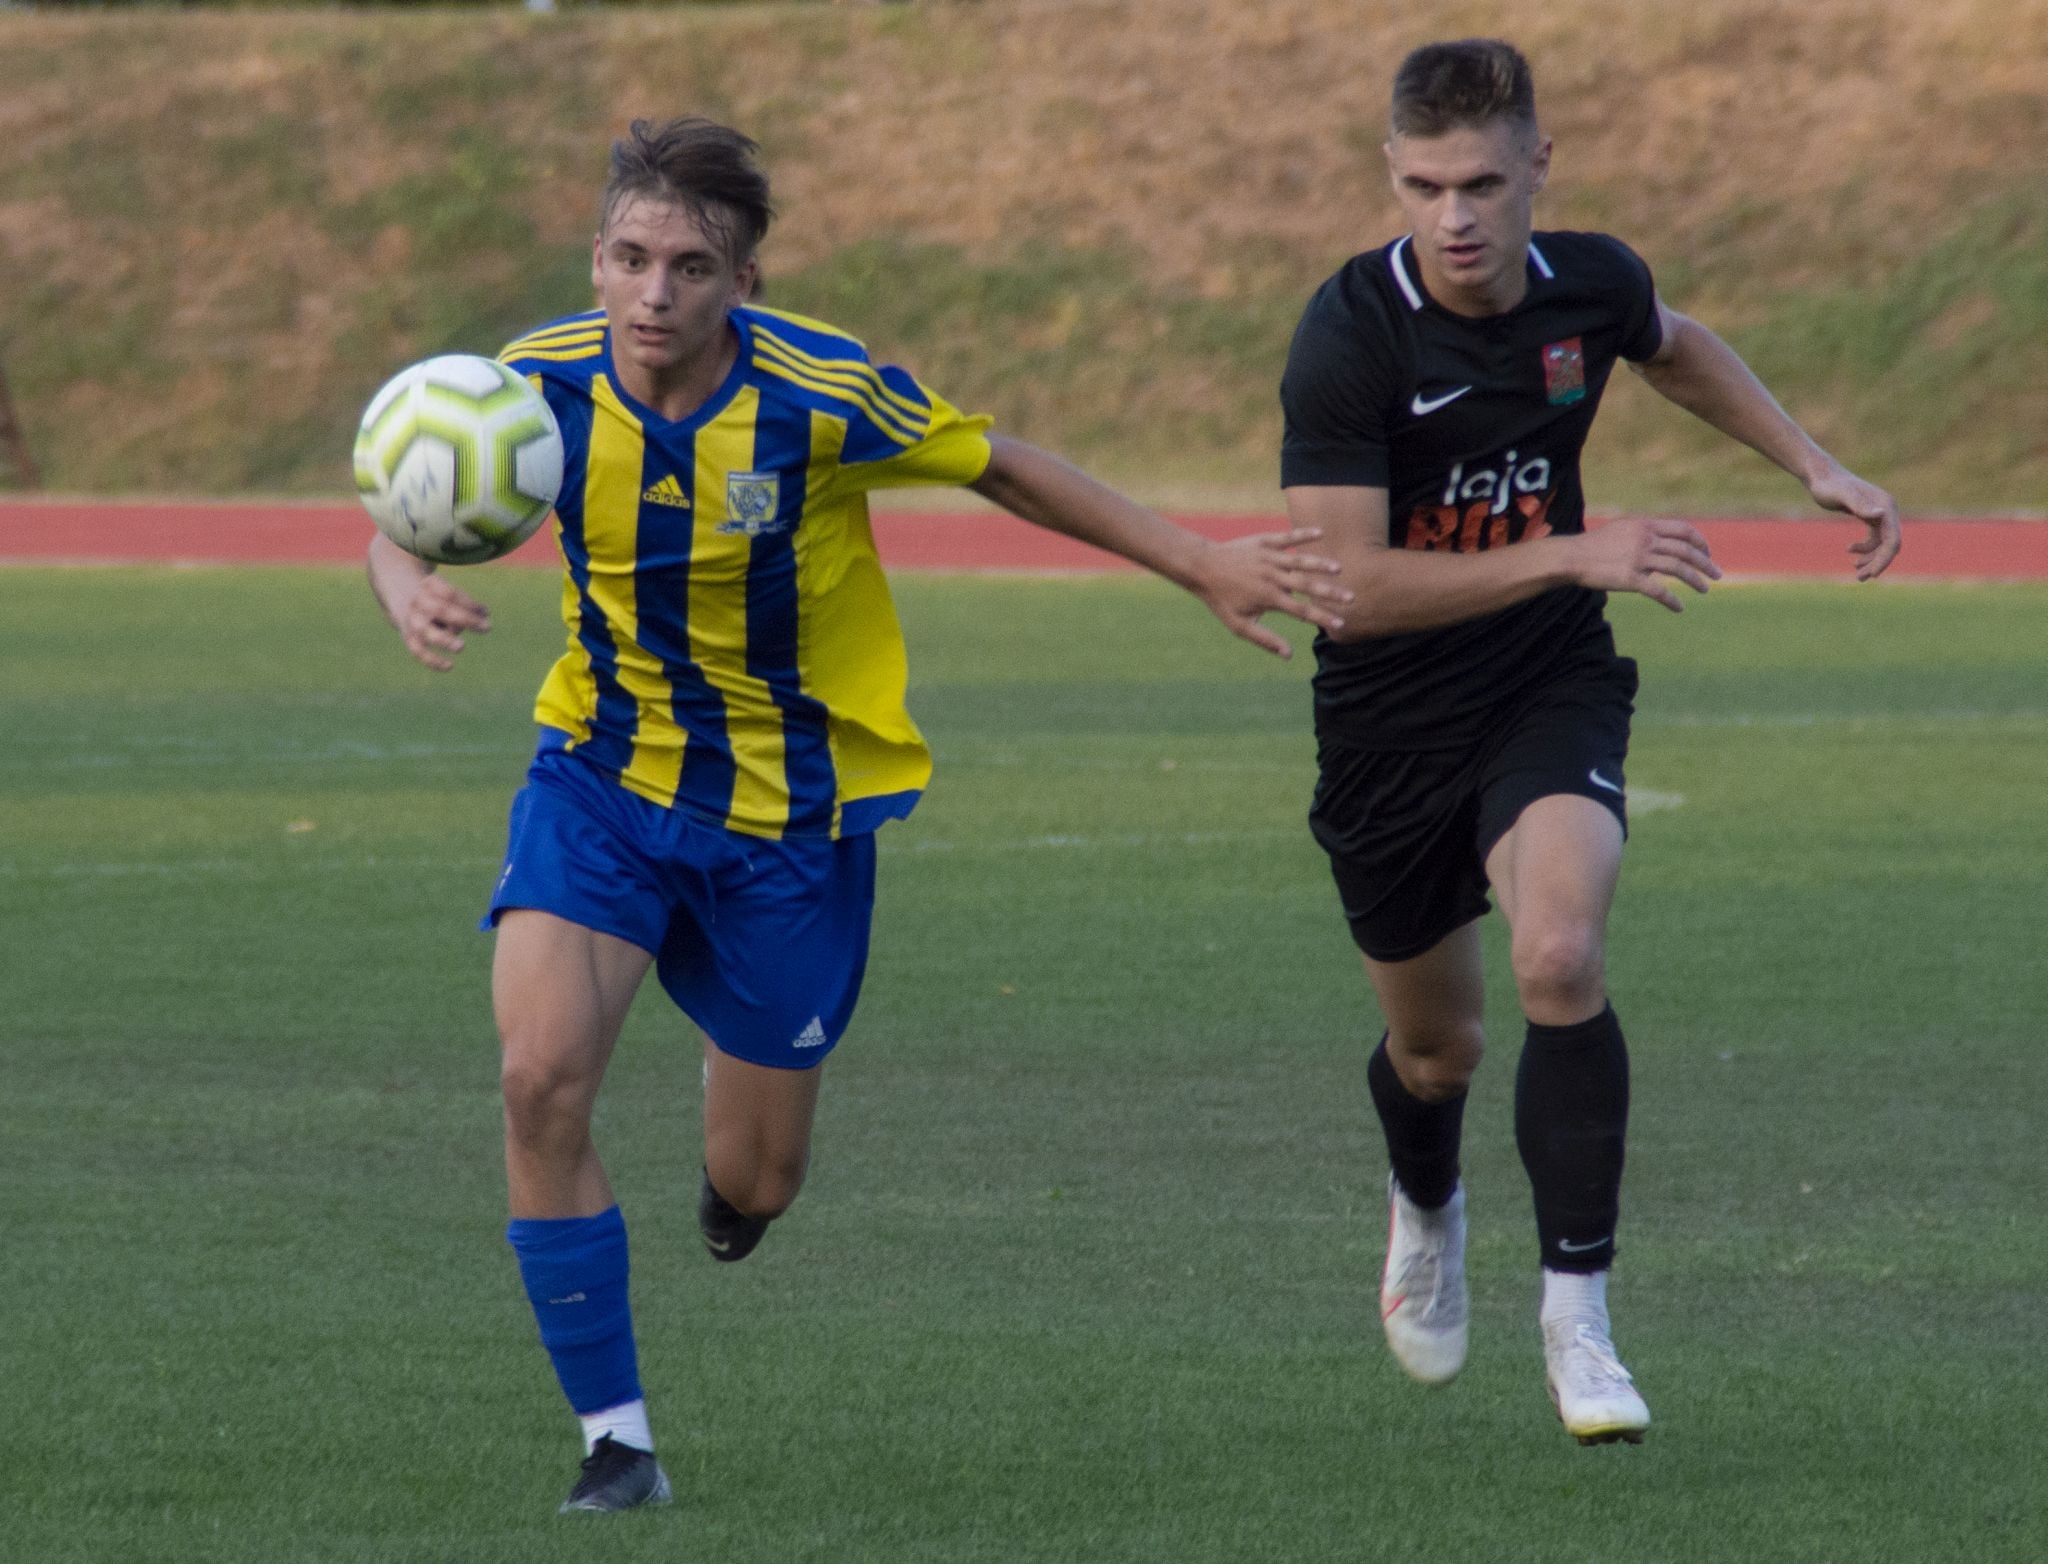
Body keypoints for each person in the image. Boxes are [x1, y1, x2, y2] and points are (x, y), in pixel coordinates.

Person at [367, 117, 1348, 1514]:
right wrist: (402, 580)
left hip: (789, 825)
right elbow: (413, 495)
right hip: (601, 780)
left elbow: (1001, 464)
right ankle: (616, 1443)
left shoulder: (820, 392)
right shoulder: (529, 387)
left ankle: (736, 1177)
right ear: (596, 261)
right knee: (538, 1080)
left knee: (759, 1181)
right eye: (632, 260)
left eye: (690, 268)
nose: (655, 294)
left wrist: (1198, 563)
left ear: (742, 281)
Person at [1279, 39, 1899, 1445]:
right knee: (1436, 1052)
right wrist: (1570, 550)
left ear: (1537, 169)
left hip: (1545, 679)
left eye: (1483, 184)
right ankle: (1426, 1199)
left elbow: (1672, 345)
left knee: (1560, 955)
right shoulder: (1351, 336)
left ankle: (1579, 1320)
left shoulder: (1590, 282)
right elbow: (1348, 592)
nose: (1455, 217)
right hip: (1387, 721)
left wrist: (1814, 463)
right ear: (1393, 176)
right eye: (1425, 187)